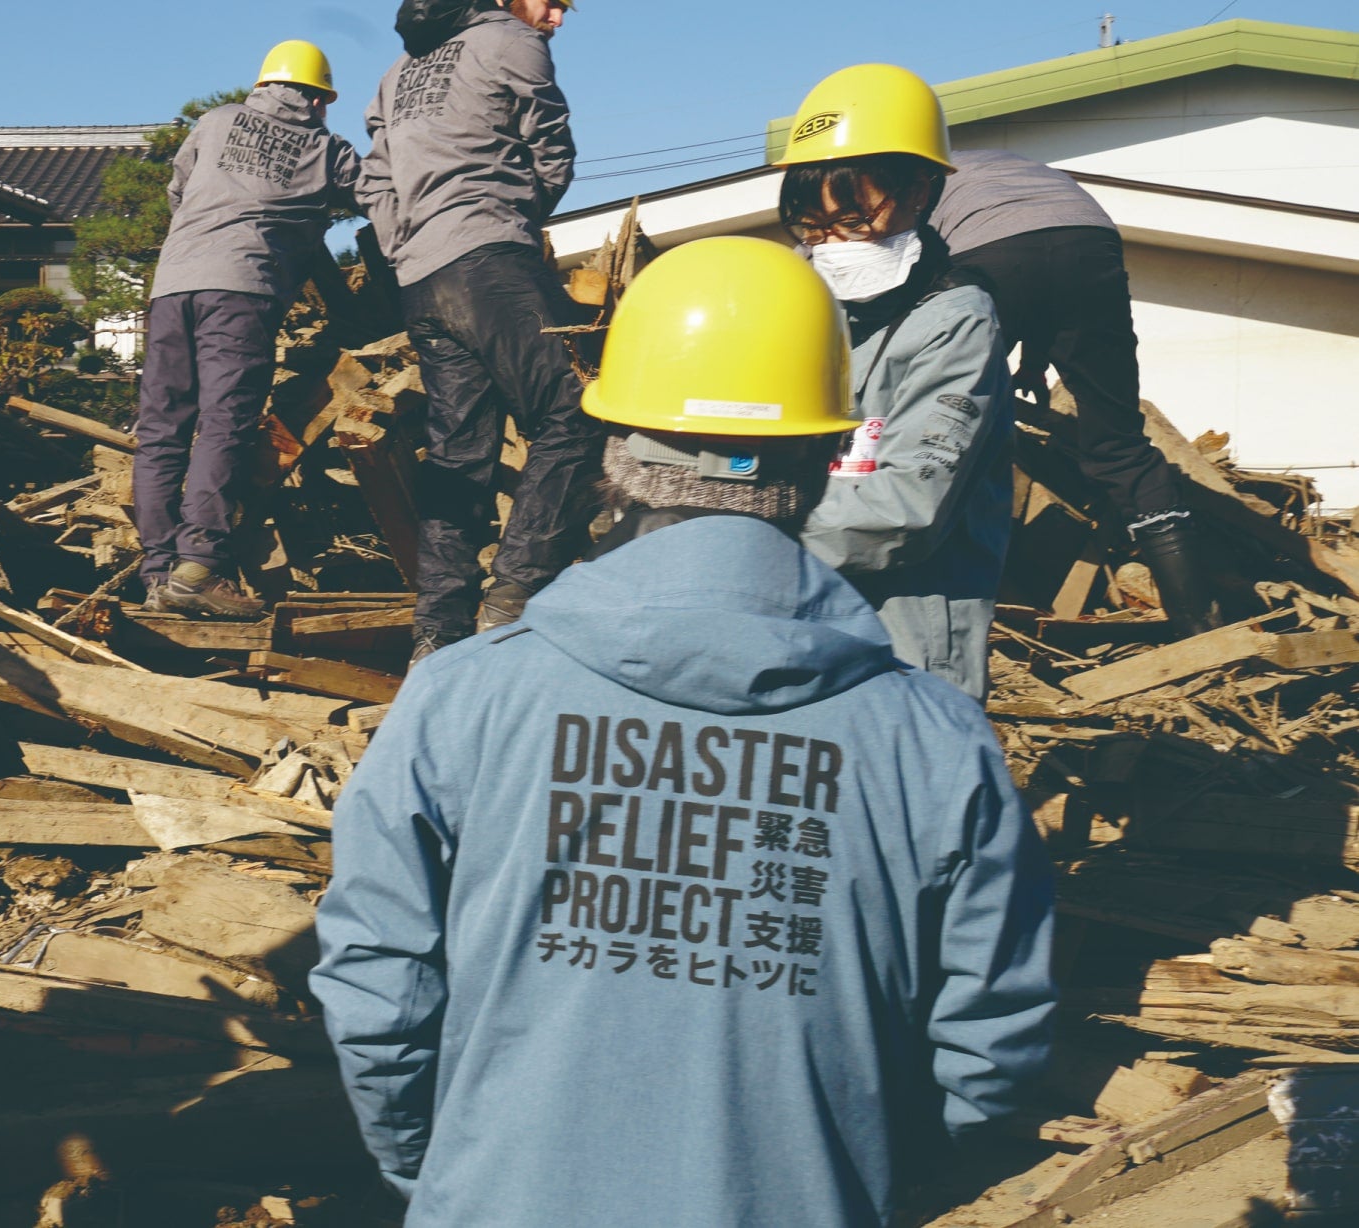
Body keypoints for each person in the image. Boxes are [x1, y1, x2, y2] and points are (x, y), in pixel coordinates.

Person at [311, 237, 1056, 1228]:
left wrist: (446, 1170)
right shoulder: (935, 742)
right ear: (828, 459)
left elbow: (376, 993)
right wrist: (853, 1165)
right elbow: (993, 1046)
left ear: (615, 450)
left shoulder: (462, 700)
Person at [361, 0, 598, 663]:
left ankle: (437, 631)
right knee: (575, 412)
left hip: (421, 279)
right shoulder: (510, 41)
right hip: (489, 258)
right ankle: (513, 598)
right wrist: (513, 219)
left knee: (457, 453)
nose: (556, 16)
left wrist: (404, 245)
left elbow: (375, 179)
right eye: (552, 1)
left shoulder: (397, 73)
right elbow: (551, 148)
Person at [777, 64, 1014, 700]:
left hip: (907, 630)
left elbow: (910, 504)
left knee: (909, 782)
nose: (829, 244)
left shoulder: (956, 322)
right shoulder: (790, 299)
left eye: (853, 221)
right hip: (792, 607)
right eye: (813, 223)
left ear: (920, 190)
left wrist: (755, 529)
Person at [932, 148, 1234, 635]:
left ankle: (949, 602)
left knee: (945, 426)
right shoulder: (1020, 166)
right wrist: (1033, 362)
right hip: (1088, 238)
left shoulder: (912, 175)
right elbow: (1045, 261)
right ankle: (1198, 620)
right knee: (1118, 445)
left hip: (984, 249)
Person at [134, 39, 361, 619]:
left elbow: (177, 193)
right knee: (223, 425)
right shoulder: (325, 146)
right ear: (317, 98)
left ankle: (158, 572)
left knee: (161, 428)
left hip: (172, 285)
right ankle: (199, 566)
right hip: (242, 288)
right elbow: (376, 195)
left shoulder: (214, 122)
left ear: (263, 85)